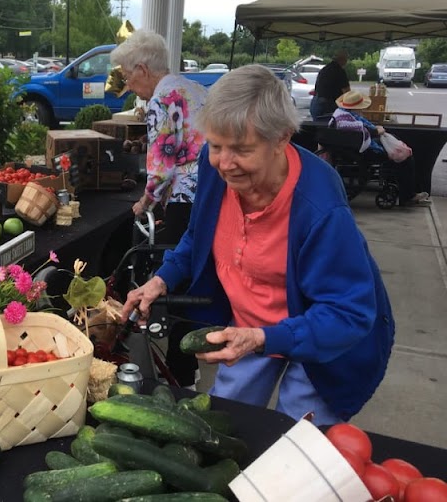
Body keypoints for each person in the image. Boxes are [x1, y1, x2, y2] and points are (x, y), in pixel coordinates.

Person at [122, 65, 395, 425]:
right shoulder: (213, 164)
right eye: (217, 145)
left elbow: (348, 313)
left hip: (319, 339)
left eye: (241, 150)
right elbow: (199, 234)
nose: (225, 163)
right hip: (249, 324)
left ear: (281, 138)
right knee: (225, 425)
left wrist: (264, 338)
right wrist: (162, 279)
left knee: (292, 444)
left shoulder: (320, 208)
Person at [110, 30, 208, 388]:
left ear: (142, 68)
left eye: (126, 73)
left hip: (186, 197)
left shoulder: (160, 100)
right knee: (195, 275)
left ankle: (182, 376)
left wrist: (145, 201)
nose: (128, 82)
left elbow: (163, 168)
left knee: (173, 277)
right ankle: (188, 367)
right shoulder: (193, 88)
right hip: (212, 193)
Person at [329, 90, 430, 206]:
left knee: (399, 151)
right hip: (362, 151)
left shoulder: (340, 114)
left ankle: (407, 193)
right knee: (404, 158)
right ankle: (407, 195)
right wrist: (377, 130)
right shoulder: (347, 121)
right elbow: (365, 131)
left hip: (354, 148)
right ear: (356, 107)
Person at [310, 50, 350, 119]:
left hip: (316, 101)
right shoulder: (340, 71)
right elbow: (346, 92)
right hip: (329, 104)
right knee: (329, 127)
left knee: (317, 126)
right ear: (342, 60)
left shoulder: (324, 69)